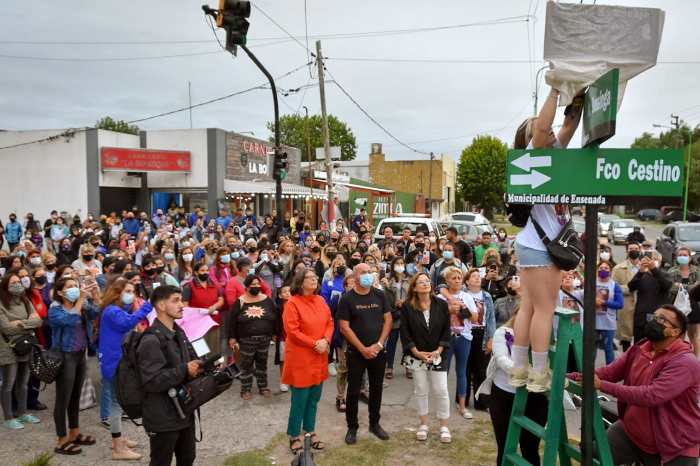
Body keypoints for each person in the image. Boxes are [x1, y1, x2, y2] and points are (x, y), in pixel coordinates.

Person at [510, 85, 583, 393]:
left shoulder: (554, 154)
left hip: (531, 243)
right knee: (544, 309)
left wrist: (578, 97)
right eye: (542, 129)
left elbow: (568, 126)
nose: (551, 130)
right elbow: (543, 127)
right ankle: (540, 374)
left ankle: (519, 369)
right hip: (541, 246)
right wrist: (555, 89)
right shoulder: (534, 154)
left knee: (528, 306)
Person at [571, 305, 700, 466]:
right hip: (631, 433)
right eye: (654, 317)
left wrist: (601, 385)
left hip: (673, 445)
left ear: (675, 332)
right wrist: (571, 376)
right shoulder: (642, 347)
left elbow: (652, 395)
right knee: (593, 456)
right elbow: (610, 372)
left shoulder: (685, 362)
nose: (654, 321)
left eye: (661, 319)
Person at [137, 285, 202, 466]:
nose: (182, 305)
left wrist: (204, 365)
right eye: (176, 301)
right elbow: (151, 381)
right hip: (162, 416)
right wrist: (184, 369)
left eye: (181, 300)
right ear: (161, 306)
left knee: (187, 458)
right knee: (161, 462)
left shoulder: (178, 332)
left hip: (183, 410)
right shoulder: (150, 340)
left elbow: (192, 359)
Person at [477, 309, 548, 466]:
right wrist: (528, 372)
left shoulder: (543, 336)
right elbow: (502, 359)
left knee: (530, 448)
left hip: (535, 397)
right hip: (504, 396)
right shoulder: (503, 333)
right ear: (516, 315)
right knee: (505, 446)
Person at [338, 262, 393, 445]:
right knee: (353, 391)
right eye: (364, 272)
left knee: (376, 389)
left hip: (378, 351)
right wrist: (362, 348)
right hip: (356, 353)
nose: (368, 275)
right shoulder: (347, 299)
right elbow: (344, 327)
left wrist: (378, 344)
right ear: (355, 277)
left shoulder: (380, 295)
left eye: (370, 272)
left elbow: (388, 320)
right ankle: (352, 427)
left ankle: (374, 424)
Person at [98, 278, 152, 460]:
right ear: (117, 292)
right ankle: (118, 449)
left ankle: (118, 440)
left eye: (133, 291)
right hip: (114, 363)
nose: (132, 295)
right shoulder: (112, 311)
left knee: (117, 403)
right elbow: (127, 323)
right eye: (128, 291)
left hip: (115, 361)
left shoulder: (115, 309)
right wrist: (146, 307)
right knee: (115, 403)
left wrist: (138, 305)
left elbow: (128, 317)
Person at [282, 268, 334, 454]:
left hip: (319, 355)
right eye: (309, 277)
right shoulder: (292, 303)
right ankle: (294, 435)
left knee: (314, 398)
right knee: (300, 399)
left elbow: (330, 322)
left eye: (315, 277)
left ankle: (310, 431)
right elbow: (293, 331)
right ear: (300, 281)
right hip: (301, 358)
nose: (314, 279)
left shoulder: (320, 300)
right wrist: (315, 343)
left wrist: (326, 340)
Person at [400, 272, 452, 443]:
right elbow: (405, 332)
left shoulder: (441, 305)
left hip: (438, 353)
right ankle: (423, 424)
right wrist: (416, 352)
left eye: (427, 281)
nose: (425, 284)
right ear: (414, 287)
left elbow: (446, 329)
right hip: (416, 355)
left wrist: (438, 350)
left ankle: (444, 425)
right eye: (421, 282)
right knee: (421, 389)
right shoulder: (408, 306)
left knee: (441, 389)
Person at [49, 277, 97, 455]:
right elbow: (69, 320)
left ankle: (74, 432)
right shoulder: (55, 309)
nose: (75, 289)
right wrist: (82, 300)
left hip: (80, 354)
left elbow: (95, 313)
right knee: (63, 398)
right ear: (60, 292)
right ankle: (61, 440)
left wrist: (95, 295)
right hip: (65, 356)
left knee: (75, 396)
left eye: (76, 285)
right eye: (70, 287)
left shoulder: (81, 304)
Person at [0, 271, 42, 430]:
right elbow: (5, 328)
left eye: (19, 282)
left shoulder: (25, 301)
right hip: (7, 348)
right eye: (13, 283)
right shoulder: (1, 303)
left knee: (23, 383)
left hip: (25, 346)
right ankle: (8, 417)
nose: (17, 284)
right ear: (5, 286)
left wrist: (19, 323)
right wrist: (27, 324)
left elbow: (38, 321)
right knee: (8, 383)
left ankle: (23, 413)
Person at [227, 275, 277, 400]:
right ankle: (246, 390)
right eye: (253, 284)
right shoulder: (240, 301)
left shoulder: (267, 300)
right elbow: (232, 321)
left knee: (262, 364)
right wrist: (232, 337)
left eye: (257, 284)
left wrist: (276, 333)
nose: (256, 286)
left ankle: (263, 387)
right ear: (247, 286)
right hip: (246, 340)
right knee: (246, 365)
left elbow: (276, 317)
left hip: (264, 339)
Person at [628, 252, 672, 343]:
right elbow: (631, 287)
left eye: (654, 259)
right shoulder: (642, 275)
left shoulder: (665, 275)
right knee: (639, 346)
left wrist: (654, 270)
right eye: (649, 259)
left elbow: (666, 285)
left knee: (656, 345)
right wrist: (640, 272)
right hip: (641, 318)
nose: (651, 261)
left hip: (658, 319)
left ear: (659, 262)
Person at [182, 262, 225, 354]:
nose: (205, 272)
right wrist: (197, 312)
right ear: (196, 273)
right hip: (197, 325)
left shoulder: (214, 284)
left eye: (207, 270)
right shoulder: (189, 286)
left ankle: (215, 367)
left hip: (213, 322)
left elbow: (221, 300)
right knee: (201, 351)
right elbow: (185, 305)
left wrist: (215, 306)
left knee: (214, 349)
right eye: (202, 270)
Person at [612, 242, 642, 352]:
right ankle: (626, 360)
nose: (633, 250)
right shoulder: (618, 268)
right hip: (626, 305)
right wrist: (629, 288)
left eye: (636, 248)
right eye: (631, 248)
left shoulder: (646, 268)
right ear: (627, 251)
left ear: (640, 250)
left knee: (641, 337)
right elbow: (614, 288)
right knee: (626, 336)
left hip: (642, 304)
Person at [385, 256, 410, 380]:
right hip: (393, 314)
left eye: (402, 263)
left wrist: (404, 303)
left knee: (407, 342)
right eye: (397, 263)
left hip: (406, 314)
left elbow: (413, 296)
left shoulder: (409, 280)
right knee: (391, 342)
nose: (400, 266)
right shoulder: (388, 280)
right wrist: (394, 304)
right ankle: (389, 367)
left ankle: (408, 366)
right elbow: (385, 296)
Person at [595, 261, 624, 364]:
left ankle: (609, 374)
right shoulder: (591, 283)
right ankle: (588, 373)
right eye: (601, 268)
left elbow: (620, 304)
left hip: (608, 322)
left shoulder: (614, 285)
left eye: (606, 268)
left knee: (608, 348)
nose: (603, 270)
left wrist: (604, 302)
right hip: (593, 322)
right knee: (591, 350)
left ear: (610, 271)